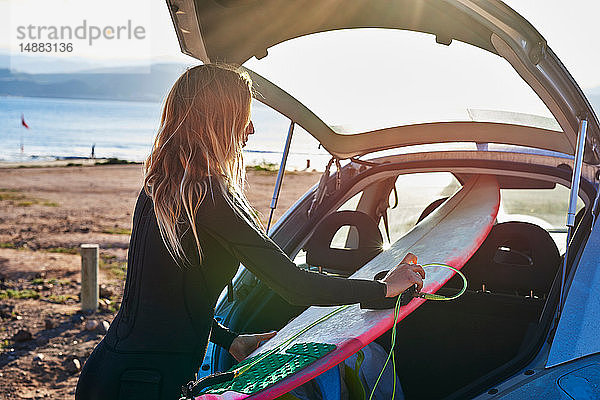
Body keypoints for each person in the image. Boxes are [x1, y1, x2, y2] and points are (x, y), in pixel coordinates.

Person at [75, 64, 425, 400]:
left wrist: (230, 341)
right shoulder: (207, 196)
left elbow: (168, 298)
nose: (252, 128)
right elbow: (295, 285)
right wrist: (384, 288)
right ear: (218, 121)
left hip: (119, 372)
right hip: (144, 383)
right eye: (245, 116)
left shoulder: (164, 187)